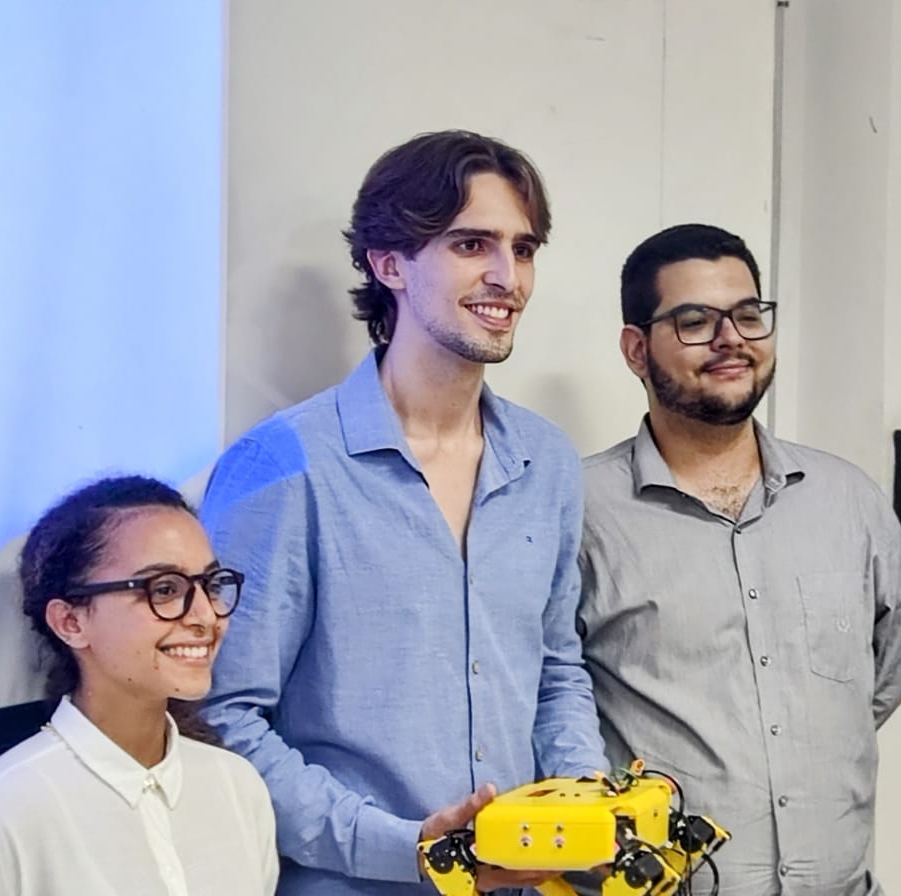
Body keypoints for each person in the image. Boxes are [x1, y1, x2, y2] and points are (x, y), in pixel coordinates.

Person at [200, 130, 607, 895]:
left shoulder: (546, 461)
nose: (506, 276)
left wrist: (584, 805)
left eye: (522, 249)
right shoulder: (282, 465)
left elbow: (555, 672)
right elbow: (223, 717)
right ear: (388, 264)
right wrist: (409, 848)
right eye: (470, 244)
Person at [577, 224, 901, 896]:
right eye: (695, 321)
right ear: (637, 350)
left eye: (748, 314)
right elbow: (546, 703)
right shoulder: (579, 512)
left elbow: (880, 682)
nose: (731, 338)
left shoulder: (849, 502)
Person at [0, 475, 279, 896]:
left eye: (211, 585)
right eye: (164, 589)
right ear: (70, 621)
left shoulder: (237, 787)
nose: (206, 617)